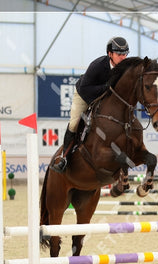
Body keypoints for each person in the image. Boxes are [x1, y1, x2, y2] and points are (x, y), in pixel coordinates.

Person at [54, 36, 130, 173]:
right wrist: (107, 87)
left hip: (107, 98)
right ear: (110, 54)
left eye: (125, 54)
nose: (123, 58)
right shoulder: (98, 65)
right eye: (119, 54)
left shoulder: (125, 68)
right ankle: (63, 157)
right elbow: (85, 89)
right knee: (74, 123)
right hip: (84, 94)